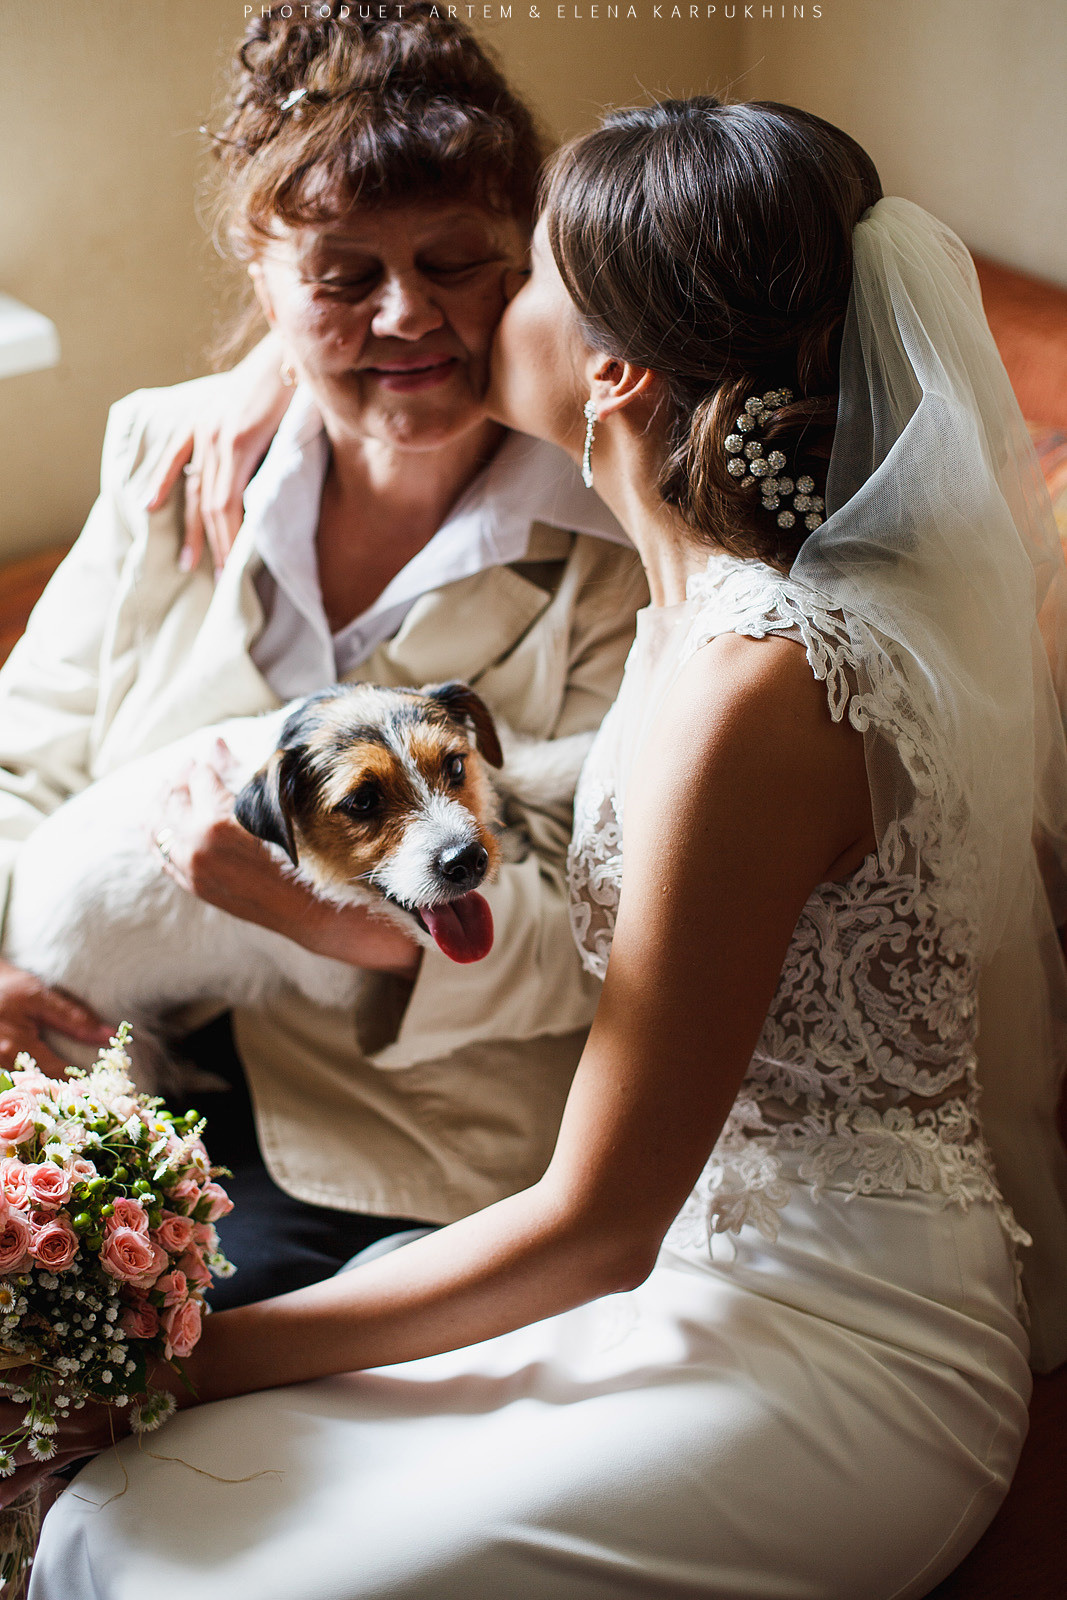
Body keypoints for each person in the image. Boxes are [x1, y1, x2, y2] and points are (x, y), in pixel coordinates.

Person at [21, 94, 1067, 1599]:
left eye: (518, 275)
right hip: (682, 1268)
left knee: (190, 1559)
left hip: (832, 1344)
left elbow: (596, 1222)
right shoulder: (705, 618)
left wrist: (190, 1364)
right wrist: (278, 348)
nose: (462, 308)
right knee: (114, 1516)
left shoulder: (753, 686)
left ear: (614, 368)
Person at [0, 7, 646, 1308]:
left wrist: (306, 909)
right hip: (84, 1044)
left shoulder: (615, 544)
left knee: (107, 1359)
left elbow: (605, 926)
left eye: (457, 262)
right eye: (345, 278)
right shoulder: (167, 454)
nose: (408, 315)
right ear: (264, 269)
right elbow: (27, 749)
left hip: (388, 1130)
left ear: (525, 263)